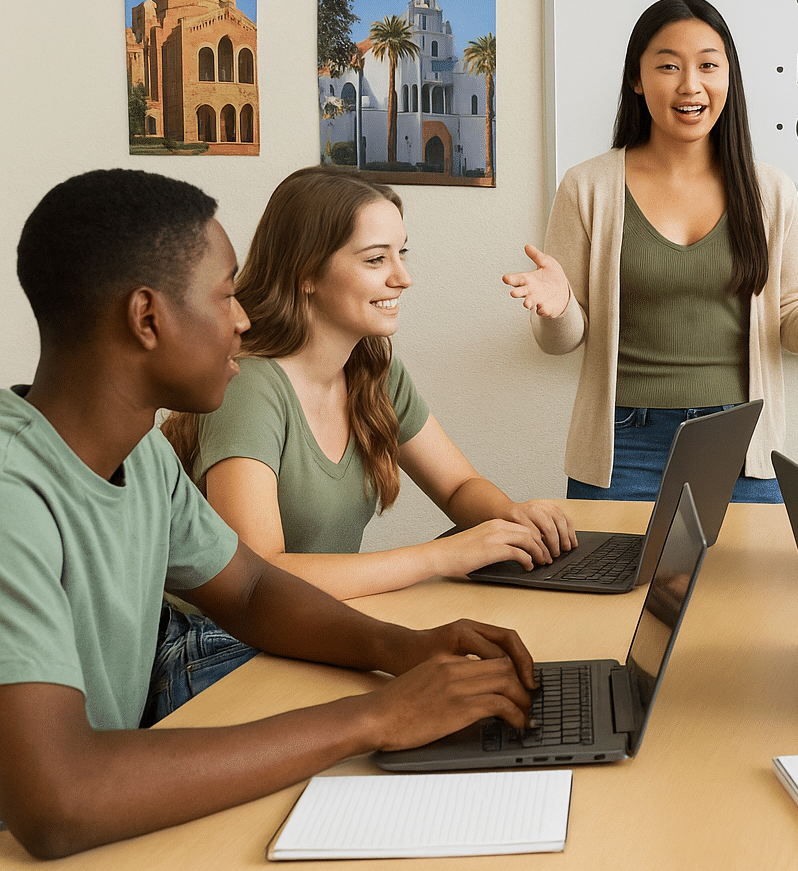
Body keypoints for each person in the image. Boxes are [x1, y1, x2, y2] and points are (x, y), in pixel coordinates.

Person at [0, 169, 537, 858]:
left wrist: (401, 649)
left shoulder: (143, 456)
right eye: (225, 296)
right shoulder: (14, 492)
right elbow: (58, 802)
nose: (244, 318)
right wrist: (373, 717)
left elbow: (251, 587)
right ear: (147, 317)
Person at [503, 0, 798, 503]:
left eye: (708, 66)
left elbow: (790, 324)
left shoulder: (770, 192)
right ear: (637, 78)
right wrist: (559, 307)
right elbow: (560, 340)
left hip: (741, 444)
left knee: (747, 586)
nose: (690, 85)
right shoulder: (586, 187)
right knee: (614, 583)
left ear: (728, 78)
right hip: (623, 448)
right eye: (669, 66)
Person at [163, 166, 573, 604]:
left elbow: (457, 487)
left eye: (402, 253)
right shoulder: (249, 387)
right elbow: (260, 573)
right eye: (376, 259)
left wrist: (512, 517)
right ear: (307, 273)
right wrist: (441, 556)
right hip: (220, 651)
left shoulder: (373, 370)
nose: (402, 277)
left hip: (313, 626)